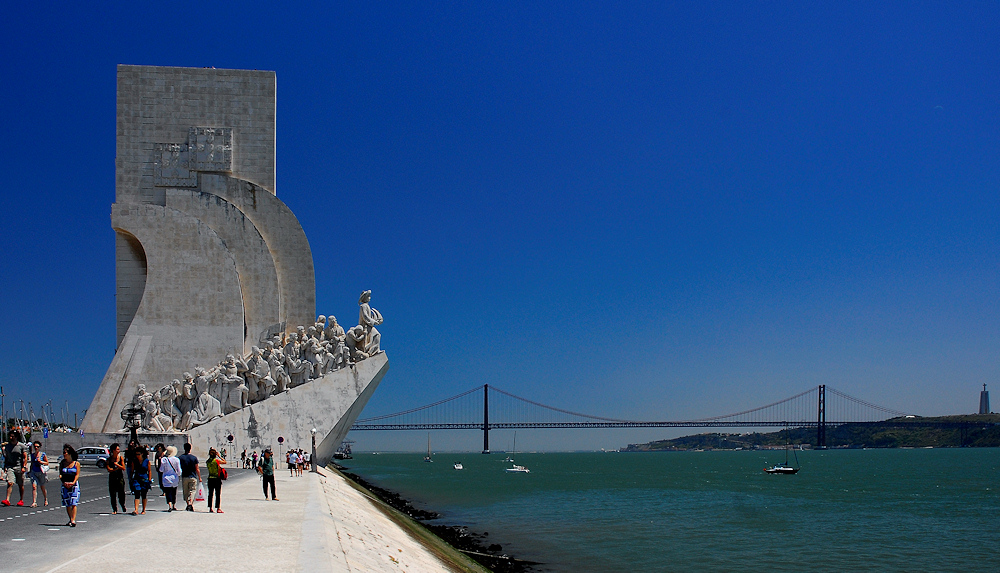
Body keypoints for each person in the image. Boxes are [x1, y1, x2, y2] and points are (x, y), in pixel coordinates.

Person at [2, 430, 28, 506]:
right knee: (10, 482)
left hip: (19, 467)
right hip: (10, 466)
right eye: (10, 436)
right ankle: (7, 499)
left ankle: (21, 499)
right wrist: (5, 466)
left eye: (12, 436)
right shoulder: (7, 446)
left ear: (16, 437)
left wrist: (24, 466)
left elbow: (25, 457)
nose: (11, 438)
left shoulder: (21, 446)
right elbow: (6, 457)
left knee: (20, 484)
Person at [59, 444, 81, 527]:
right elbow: (60, 474)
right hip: (65, 485)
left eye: (65, 453)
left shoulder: (76, 463)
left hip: (74, 485)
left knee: (74, 502)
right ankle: (70, 519)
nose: (64, 454)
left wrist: (73, 482)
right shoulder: (63, 463)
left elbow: (77, 475)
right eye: (63, 452)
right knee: (67, 503)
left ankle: (73, 519)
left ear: (70, 453)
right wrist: (64, 482)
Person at [178, 443, 201, 512]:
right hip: (193, 476)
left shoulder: (180, 458)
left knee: (185, 491)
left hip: (185, 476)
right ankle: (191, 503)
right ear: (190, 448)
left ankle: (188, 504)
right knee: (192, 491)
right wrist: (199, 477)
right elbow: (197, 468)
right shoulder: (194, 458)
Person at [106, 443, 127, 514]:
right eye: (117, 449)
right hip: (112, 478)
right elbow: (109, 469)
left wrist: (117, 465)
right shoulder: (109, 459)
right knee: (113, 494)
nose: (119, 450)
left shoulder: (121, 458)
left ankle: (122, 505)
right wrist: (115, 469)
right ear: (113, 450)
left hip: (120, 478)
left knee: (121, 493)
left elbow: (123, 468)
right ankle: (114, 509)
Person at [158, 445, 181, 511]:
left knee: (168, 492)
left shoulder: (164, 460)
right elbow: (179, 470)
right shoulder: (176, 459)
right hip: (174, 478)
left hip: (166, 478)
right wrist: (178, 475)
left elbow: (161, 470)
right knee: (174, 492)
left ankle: (170, 505)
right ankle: (174, 505)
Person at [130, 446, 151, 515]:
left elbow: (149, 471)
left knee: (144, 494)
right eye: (136, 454)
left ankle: (143, 509)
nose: (137, 456)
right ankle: (136, 509)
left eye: (138, 454)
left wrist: (149, 479)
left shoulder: (147, 461)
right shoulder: (134, 461)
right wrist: (131, 479)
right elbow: (132, 471)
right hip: (137, 479)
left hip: (144, 479)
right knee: (137, 493)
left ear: (142, 454)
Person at [205, 447, 226, 513]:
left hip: (210, 478)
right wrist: (219, 456)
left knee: (210, 494)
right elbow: (225, 462)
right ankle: (218, 508)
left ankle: (210, 508)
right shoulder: (216, 461)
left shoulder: (207, 461)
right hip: (217, 479)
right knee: (218, 494)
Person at [28, 441, 48, 507]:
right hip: (34, 472)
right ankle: (34, 502)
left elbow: (47, 463)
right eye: (35, 446)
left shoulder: (42, 454)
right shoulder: (32, 455)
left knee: (42, 487)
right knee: (34, 487)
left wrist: (41, 461)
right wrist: (30, 471)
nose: (36, 448)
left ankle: (45, 499)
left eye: (37, 446)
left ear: (40, 447)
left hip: (41, 472)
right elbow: (32, 463)